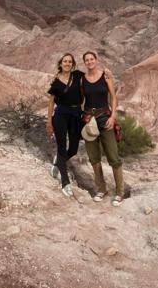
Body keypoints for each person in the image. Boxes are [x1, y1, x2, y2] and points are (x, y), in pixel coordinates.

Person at [81, 50, 124, 207]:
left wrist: (113, 116)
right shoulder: (82, 80)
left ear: (96, 60)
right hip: (89, 120)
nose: (89, 62)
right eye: (87, 60)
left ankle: (120, 193)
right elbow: (80, 100)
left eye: (91, 59)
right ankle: (101, 189)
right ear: (84, 63)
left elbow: (113, 97)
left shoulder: (106, 76)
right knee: (94, 157)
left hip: (105, 118)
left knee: (113, 156)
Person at [46, 53, 83, 197]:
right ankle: (65, 183)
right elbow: (51, 102)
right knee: (62, 149)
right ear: (61, 64)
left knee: (73, 149)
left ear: (72, 64)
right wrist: (49, 122)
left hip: (76, 115)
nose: (67, 63)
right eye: (65, 61)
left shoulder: (78, 76)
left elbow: (91, 81)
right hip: (60, 115)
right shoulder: (56, 82)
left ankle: (58, 163)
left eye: (70, 62)